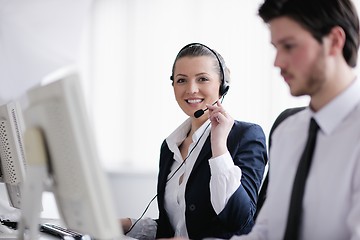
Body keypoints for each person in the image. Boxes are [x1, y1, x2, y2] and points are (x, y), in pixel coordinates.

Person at [230, 0, 360, 239]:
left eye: (289, 46)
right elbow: (267, 232)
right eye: (276, 48)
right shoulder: (287, 132)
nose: (277, 62)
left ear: (334, 41)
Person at [121, 43, 268, 240]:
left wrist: (219, 147)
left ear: (222, 85)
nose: (191, 89)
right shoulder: (169, 147)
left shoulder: (246, 136)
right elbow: (175, 226)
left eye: (203, 79)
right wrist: (126, 225)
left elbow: (239, 220)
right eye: (182, 80)